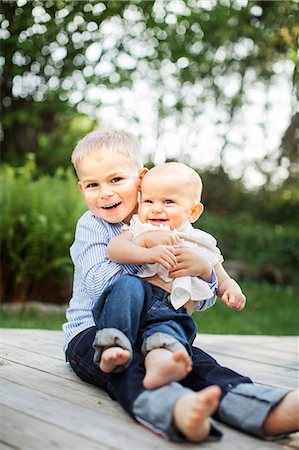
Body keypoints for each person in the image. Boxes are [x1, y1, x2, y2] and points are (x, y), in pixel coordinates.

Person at [63, 129, 299, 444]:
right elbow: (98, 285)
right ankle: (174, 408)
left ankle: (263, 407)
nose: (105, 193)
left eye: (116, 180)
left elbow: (191, 301)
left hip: (153, 327)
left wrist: (204, 272)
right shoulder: (93, 225)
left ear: (141, 178)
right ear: (82, 188)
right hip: (93, 333)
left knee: (188, 360)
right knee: (127, 366)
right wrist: (148, 252)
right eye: (93, 185)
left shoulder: (161, 214)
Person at [96, 162, 246, 389]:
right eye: (148, 201)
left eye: (168, 202)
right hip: (139, 299)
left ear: (193, 211)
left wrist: (232, 290)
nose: (156, 208)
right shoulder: (140, 228)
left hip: (172, 309)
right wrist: (145, 251)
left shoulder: (201, 243)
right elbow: (114, 249)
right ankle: (113, 345)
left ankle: (160, 366)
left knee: (165, 336)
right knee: (126, 286)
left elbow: (222, 279)